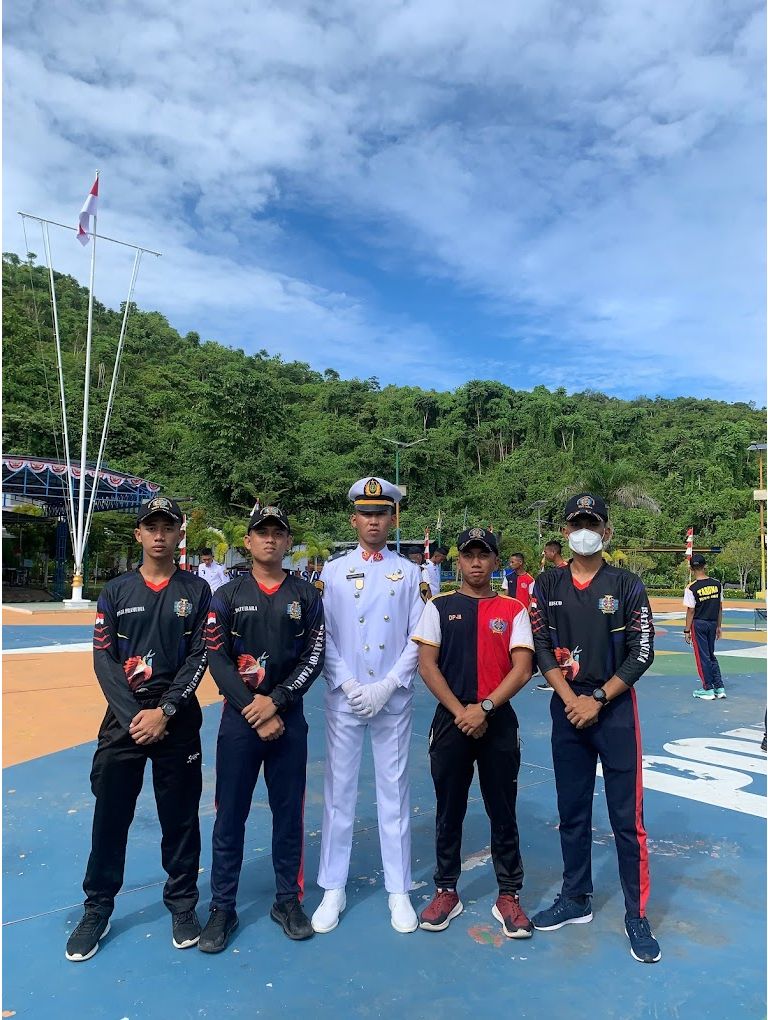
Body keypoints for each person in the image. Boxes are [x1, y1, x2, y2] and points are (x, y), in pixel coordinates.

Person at [65, 496, 211, 962]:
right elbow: (103, 660)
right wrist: (134, 716)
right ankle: (98, 907)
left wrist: (166, 709)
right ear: (139, 535)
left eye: (168, 527)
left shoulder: (197, 590)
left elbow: (200, 655)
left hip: (178, 717)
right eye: (151, 527)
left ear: (178, 534)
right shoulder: (115, 592)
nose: (160, 534)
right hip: (125, 718)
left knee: (181, 817)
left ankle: (183, 904)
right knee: (110, 816)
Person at [529, 493, 661, 964]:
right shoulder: (545, 584)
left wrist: (599, 698)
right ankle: (576, 897)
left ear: (606, 531)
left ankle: (636, 914)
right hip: (568, 712)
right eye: (576, 522)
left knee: (628, 820)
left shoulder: (627, 584)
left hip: (616, 710)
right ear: (565, 531)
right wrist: (571, 700)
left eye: (593, 523)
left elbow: (641, 653)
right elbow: (540, 646)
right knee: (572, 811)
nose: (584, 530)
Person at [199, 505, 325, 951]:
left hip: (288, 720)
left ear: (288, 543)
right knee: (229, 814)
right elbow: (215, 657)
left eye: (278, 532)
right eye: (261, 533)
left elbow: (315, 657)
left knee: (289, 814)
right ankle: (222, 907)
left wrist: (277, 702)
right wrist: (253, 706)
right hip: (240, 721)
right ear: (248, 542)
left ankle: (288, 901)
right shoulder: (226, 596)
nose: (270, 539)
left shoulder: (307, 597)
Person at [311, 477, 427, 935]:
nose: (374, 521)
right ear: (353, 518)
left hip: (393, 699)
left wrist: (390, 684)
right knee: (339, 793)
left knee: (394, 793)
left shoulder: (412, 572)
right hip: (345, 697)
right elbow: (324, 635)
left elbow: (420, 636)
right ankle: (332, 887)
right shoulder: (334, 571)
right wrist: (347, 682)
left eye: (382, 514)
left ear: (392, 518)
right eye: (366, 513)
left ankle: (399, 889)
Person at [413, 527, 535, 938]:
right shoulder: (439, 606)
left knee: (503, 808)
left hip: (497, 719)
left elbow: (522, 668)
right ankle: (447, 889)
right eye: (469, 555)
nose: (477, 562)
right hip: (452, 720)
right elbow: (427, 665)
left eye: (484, 555)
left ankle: (509, 894)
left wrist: (483, 708)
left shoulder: (513, 609)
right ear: (459, 561)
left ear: (496, 561)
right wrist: (460, 711)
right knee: (449, 808)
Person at [683, 554, 725, 701]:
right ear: (705, 566)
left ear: (691, 568)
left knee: (703, 657)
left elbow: (691, 610)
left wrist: (687, 630)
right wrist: (719, 626)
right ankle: (719, 687)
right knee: (711, 654)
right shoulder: (717, 584)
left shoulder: (691, 588)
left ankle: (707, 688)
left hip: (699, 623)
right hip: (713, 622)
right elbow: (720, 607)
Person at [533, 541, 569, 690]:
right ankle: (555, 680)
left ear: (553, 552)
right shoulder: (552, 574)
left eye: (546, 552)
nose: (544, 555)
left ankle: (561, 680)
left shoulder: (567, 572)